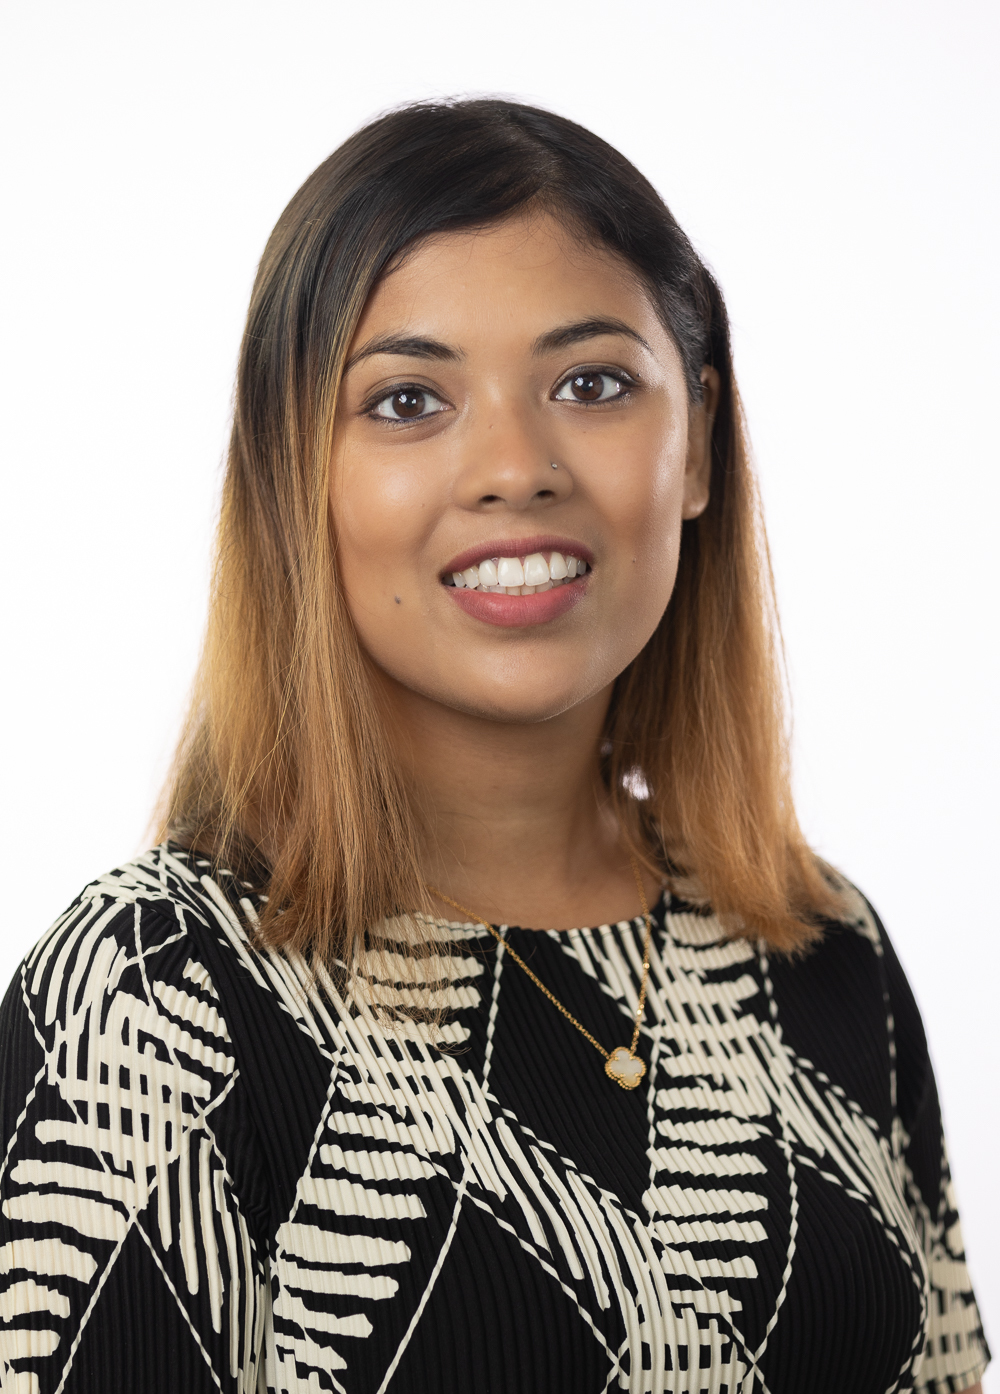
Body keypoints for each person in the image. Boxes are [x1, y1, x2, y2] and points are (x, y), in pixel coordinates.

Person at [0, 97, 988, 1394]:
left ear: (695, 442)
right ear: (296, 471)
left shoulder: (824, 952)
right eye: (409, 400)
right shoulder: (150, 993)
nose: (515, 466)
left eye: (592, 383)